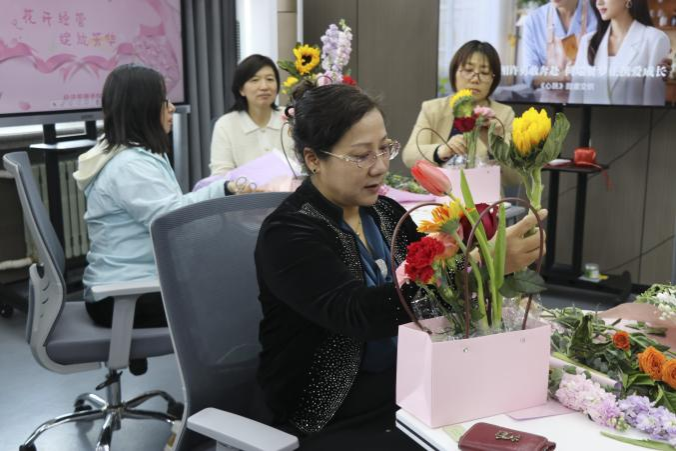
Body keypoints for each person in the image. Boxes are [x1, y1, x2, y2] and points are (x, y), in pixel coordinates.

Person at [254, 82, 547, 448]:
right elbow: (359, 314)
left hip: (410, 387)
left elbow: (433, 292)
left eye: (384, 148)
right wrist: (478, 267)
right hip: (337, 414)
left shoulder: (387, 213)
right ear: (314, 159)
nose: (380, 167)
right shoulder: (287, 234)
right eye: (361, 156)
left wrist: (491, 260)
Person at [74, 64, 235, 328]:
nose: (171, 108)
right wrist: (224, 190)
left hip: (135, 284)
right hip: (125, 296)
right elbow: (172, 221)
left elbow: (170, 211)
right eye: (163, 101)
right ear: (143, 108)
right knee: (237, 294)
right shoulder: (130, 165)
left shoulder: (129, 153)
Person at [402, 41, 519, 186]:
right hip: (437, 194)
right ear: (454, 72)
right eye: (468, 70)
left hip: (483, 194)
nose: (475, 79)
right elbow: (409, 155)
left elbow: (515, 177)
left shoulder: (503, 114)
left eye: (484, 73)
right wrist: (441, 151)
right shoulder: (433, 109)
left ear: (493, 79)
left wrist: (493, 144)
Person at [569, 0, 671, 105]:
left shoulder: (655, 40)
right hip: (590, 115)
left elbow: (653, 105)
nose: (599, 3)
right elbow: (575, 100)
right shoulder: (588, 42)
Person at [209, 54, 295, 175]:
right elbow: (220, 175)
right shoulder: (225, 125)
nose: (264, 87)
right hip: (245, 188)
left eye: (270, 79)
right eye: (255, 80)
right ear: (241, 89)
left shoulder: (291, 118)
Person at [521, 0, 598, 102]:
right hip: (549, 105)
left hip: (590, 102)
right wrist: (563, 77)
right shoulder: (534, 20)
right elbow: (529, 75)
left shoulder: (598, 13)